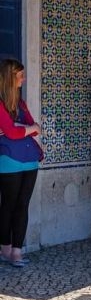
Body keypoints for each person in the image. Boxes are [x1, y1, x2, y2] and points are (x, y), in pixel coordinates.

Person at [0, 59, 42, 267]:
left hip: (30, 160)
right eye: (20, 75)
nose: (24, 79)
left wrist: (19, 127)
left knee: (23, 205)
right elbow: (12, 132)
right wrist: (24, 128)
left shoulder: (21, 103)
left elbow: (36, 127)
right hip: (9, 160)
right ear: (9, 77)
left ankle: (17, 251)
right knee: (8, 205)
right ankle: (5, 247)